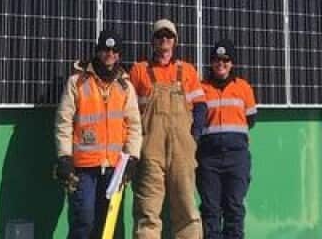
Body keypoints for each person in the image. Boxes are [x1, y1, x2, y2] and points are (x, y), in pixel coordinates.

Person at [55, 30, 142, 239]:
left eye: (114, 50)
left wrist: (133, 157)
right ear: (98, 51)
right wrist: (64, 157)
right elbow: (64, 122)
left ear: (119, 55)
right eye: (105, 49)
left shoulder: (125, 86)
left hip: (114, 168)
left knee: (108, 225)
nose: (109, 54)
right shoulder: (77, 82)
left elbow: (134, 125)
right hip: (84, 167)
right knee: (84, 219)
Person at [129, 19, 207, 239]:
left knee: (187, 210)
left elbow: (200, 105)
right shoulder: (139, 70)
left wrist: (196, 135)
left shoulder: (188, 70)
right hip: (150, 151)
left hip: (183, 149)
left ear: (175, 41)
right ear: (153, 41)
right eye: (160, 35)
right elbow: (129, 110)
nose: (164, 39)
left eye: (169, 36)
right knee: (147, 213)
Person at [196, 40, 257, 239]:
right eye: (216, 60)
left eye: (225, 60)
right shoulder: (201, 89)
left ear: (232, 63)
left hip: (236, 158)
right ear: (211, 63)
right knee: (210, 210)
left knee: (234, 208)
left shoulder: (243, 88)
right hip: (208, 159)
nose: (220, 64)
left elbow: (251, 119)